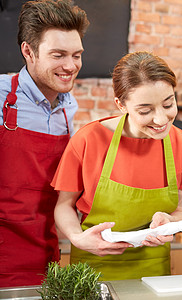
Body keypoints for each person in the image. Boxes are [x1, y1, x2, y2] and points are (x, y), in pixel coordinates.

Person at [51, 51, 182, 280]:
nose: (161, 119)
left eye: (168, 104)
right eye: (145, 111)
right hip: (92, 266)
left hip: (153, 271)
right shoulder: (88, 140)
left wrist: (169, 222)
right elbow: (63, 205)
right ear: (120, 104)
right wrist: (78, 238)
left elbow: (181, 212)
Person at [0, 0, 89, 287]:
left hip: (44, 254)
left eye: (76, 55)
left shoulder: (68, 107)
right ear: (28, 51)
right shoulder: (2, 95)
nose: (70, 66)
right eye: (58, 55)